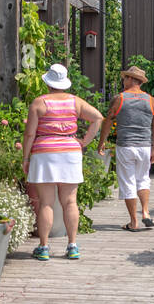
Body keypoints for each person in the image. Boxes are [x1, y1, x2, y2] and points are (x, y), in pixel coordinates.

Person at [20, 63, 104, 260]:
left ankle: (44, 247)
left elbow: (30, 133)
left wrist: (25, 157)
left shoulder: (39, 103)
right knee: (70, 201)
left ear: (48, 82)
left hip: (44, 153)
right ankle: (72, 245)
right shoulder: (76, 102)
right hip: (70, 152)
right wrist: (84, 142)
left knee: (46, 203)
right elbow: (98, 118)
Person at [96, 65, 154, 231]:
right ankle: (145, 212)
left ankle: (134, 222)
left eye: (125, 78)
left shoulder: (120, 98)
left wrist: (102, 141)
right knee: (143, 179)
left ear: (131, 79)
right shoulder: (151, 100)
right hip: (145, 147)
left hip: (126, 146)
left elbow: (108, 121)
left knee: (128, 182)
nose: (123, 80)